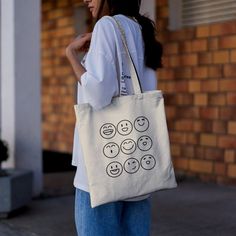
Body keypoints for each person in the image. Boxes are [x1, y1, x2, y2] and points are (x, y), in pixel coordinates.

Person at [66, 0, 163, 235]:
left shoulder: (106, 26)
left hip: (101, 161)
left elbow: (98, 93)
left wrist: (70, 55)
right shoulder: (140, 28)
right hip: (137, 162)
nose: (85, 0)